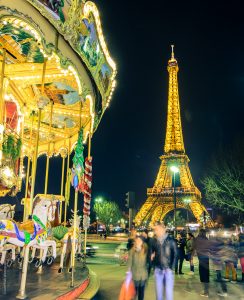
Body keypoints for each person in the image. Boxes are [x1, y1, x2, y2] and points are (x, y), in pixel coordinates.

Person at [150, 222, 177, 300]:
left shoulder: (171, 240)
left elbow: (175, 254)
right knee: (159, 295)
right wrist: (152, 262)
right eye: (155, 230)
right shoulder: (154, 241)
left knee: (169, 294)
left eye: (157, 229)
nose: (156, 232)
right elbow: (151, 253)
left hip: (168, 269)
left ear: (163, 229)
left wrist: (171, 268)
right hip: (158, 269)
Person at [127, 236, 148, 300]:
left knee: (141, 292)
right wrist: (128, 272)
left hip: (143, 275)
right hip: (134, 274)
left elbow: (149, 262)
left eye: (139, 241)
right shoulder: (132, 250)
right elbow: (129, 262)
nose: (137, 242)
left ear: (142, 242)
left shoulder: (146, 250)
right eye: (137, 240)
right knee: (134, 292)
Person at [195, 229, 210, 297]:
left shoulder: (198, 239)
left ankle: (205, 292)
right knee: (206, 274)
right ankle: (206, 291)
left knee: (202, 274)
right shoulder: (206, 239)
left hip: (201, 259)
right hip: (206, 259)